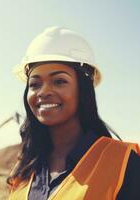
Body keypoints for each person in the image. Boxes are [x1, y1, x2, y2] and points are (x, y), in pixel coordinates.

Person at [8, 27, 140, 200]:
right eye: (35, 84)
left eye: (59, 81)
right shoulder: (24, 169)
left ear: (83, 90)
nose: (43, 91)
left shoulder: (124, 163)